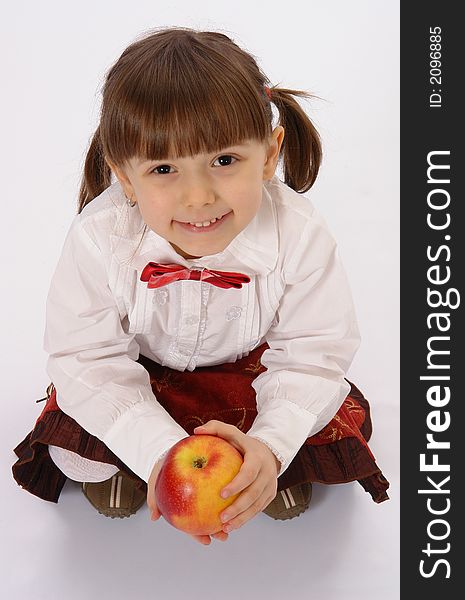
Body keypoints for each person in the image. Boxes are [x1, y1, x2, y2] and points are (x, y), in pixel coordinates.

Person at [12, 26, 390, 546]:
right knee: (76, 454)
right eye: (163, 168)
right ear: (124, 177)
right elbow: (87, 358)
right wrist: (160, 456)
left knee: (313, 421)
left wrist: (270, 446)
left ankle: (260, 469)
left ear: (270, 154)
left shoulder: (299, 233)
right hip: (145, 372)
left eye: (224, 161)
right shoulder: (100, 238)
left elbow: (312, 353)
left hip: (249, 371)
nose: (198, 196)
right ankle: (148, 462)